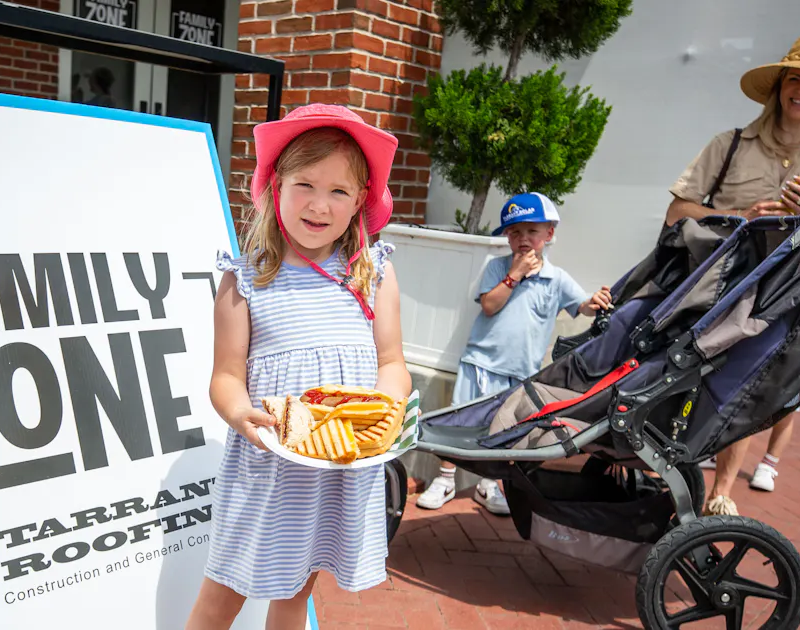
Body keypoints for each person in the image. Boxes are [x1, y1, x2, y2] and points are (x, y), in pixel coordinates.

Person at [186, 103, 410, 630]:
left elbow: (393, 363)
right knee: (225, 592)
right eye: (305, 184)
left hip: (338, 469)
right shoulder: (245, 280)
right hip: (267, 471)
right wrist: (241, 413)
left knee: (297, 590)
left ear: (360, 201)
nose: (319, 204)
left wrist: (387, 406)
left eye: (338, 191)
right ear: (275, 186)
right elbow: (225, 376)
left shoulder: (372, 274)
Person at [663, 29, 800, 516]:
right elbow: (676, 214)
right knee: (681, 376)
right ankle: (668, 463)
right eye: (794, 78)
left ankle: (722, 490)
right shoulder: (730, 144)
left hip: (777, 296)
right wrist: (742, 218)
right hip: (710, 286)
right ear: (779, 85)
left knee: (743, 384)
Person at [415, 193, 612, 515]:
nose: (523, 239)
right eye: (515, 232)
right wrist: (515, 274)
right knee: (459, 421)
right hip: (480, 362)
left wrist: (598, 301)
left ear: (549, 234)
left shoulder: (556, 278)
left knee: (502, 430)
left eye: (532, 231)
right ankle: (445, 478)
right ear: (506, 236)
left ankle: (488, 484)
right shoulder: (497, 268)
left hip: (520, 372)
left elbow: (583, 306)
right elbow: (490, 306)